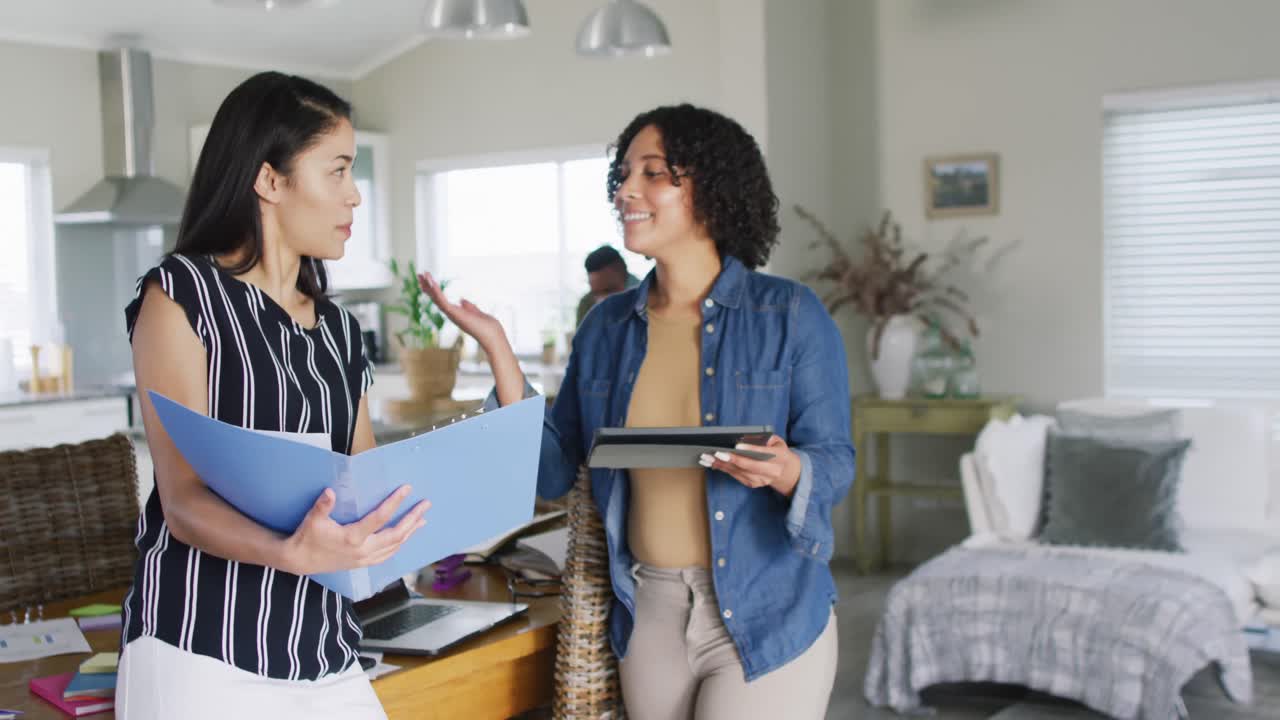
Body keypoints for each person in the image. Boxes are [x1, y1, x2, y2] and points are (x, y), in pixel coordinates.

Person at [419, 103, 854, 719]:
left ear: (713, 189)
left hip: (769, 610)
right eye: (623, 174)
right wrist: (498, 349)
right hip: (650, 617)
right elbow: (552, 471)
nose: (626, 190)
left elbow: (835, 461)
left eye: (653, 173)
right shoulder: (606, 327)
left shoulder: (789, 314)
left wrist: (787, 471)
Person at [118, 72, 429, 719]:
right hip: (202, 650)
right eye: (337, 170)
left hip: (327, 650)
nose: (354, 195)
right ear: (269, 180)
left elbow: (362, 486)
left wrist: (402, 520)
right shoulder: (182, 296)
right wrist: (290, 553)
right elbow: (182, 500)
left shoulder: (340, 331)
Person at [575, 244, 640, 327]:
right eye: (595, 293)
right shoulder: (587, 303)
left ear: (620, 270)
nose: (600, 301)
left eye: (607, 291)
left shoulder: (647, 297)